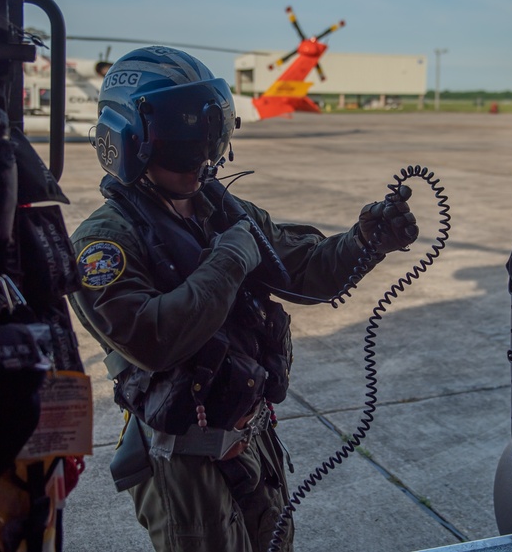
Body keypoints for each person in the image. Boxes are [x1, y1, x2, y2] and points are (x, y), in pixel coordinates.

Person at [68, 46, 419, 552]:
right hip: (184, 463)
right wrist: (230, 259)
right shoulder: (105, 242)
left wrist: (364, 244)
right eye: (184, 145)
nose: (201, 161)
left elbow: (303, 271)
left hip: (253, 440)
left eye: (206, 141)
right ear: (128, 142)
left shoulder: (224, 209)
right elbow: (153, 340)